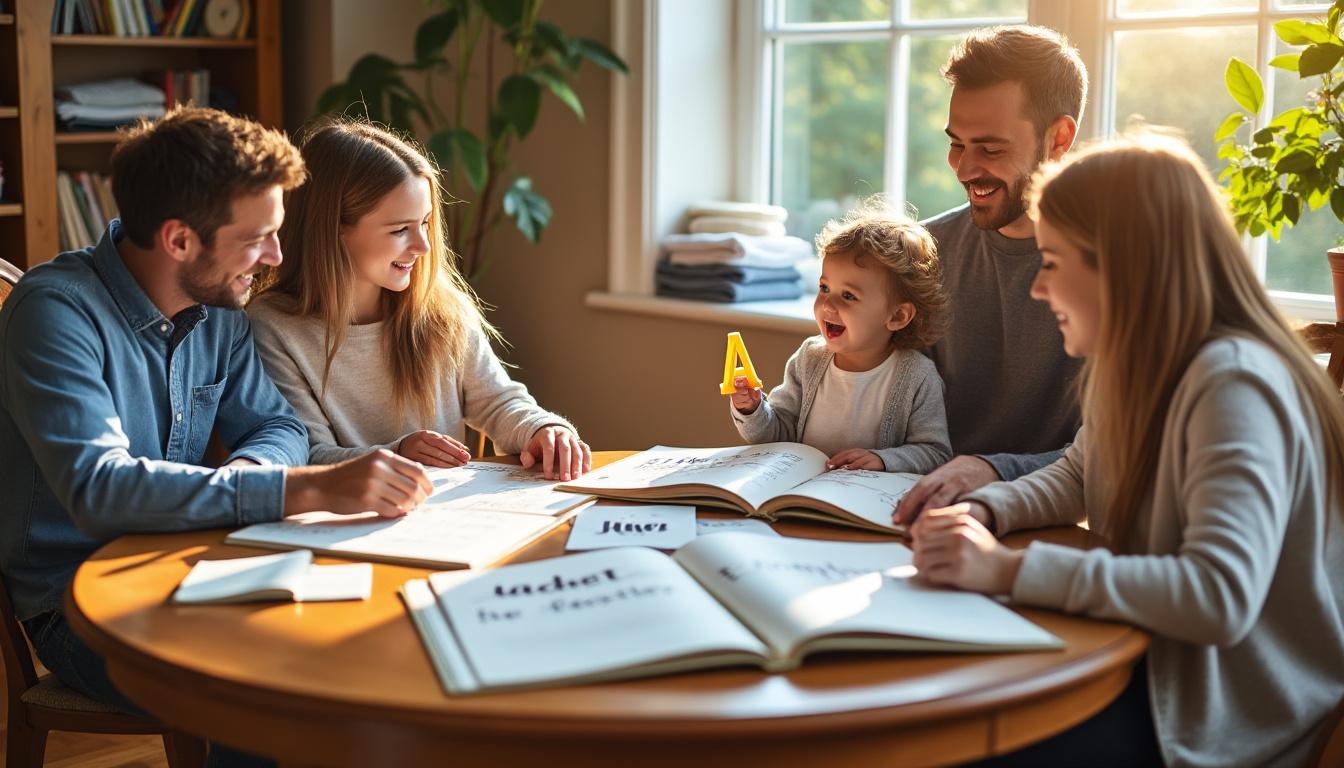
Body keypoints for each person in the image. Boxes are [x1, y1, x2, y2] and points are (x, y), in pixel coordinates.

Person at [0, 107, 434, 767]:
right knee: (263, 687)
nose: (276, 258)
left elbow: (275, 425)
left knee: (374, 648)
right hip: (78, 603)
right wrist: (301, 487)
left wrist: (252, 479)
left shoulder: (220, 311)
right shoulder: (56, 312)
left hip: (196, 568)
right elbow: (98, 488)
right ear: (179, 241)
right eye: (258, 237)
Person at [910, 133, 1344, 767]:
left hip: (1214, 718)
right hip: (1147, 659)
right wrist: (988, 511)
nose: (1038, 289)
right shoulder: (1133, 362)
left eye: (1052, 263)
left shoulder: (1233, 383)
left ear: (1122, 265)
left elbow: (1217, 596)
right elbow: (1080, 474)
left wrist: (1004, 570)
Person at [247, 119, 590, 482]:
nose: (423, 247)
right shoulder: (273, 326)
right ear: (333, 229)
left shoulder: (441, 309)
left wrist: (542, 430)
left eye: (424, 223)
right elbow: (306, 454)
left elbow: (499, 402)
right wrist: (399, 452)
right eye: (399, 230)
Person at [894, 25, 1088, 523]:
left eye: (991, 149)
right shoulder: (926, 251)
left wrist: (992, 472)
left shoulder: (1113, 272)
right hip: (916, 512)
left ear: (1058, 139)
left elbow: (1112, 461)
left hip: (1046, 531)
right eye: (957, 144)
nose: (963, 169)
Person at [730, 202, 951, 473]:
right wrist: (752, 410)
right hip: (800, 495)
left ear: (897, 316)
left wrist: (884, 460)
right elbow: (777, 433)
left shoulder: (917, 376)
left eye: (848, 296)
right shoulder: (808, 359)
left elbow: (935, 453)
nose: (827, 305)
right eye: (824, 288)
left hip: (865, 503)